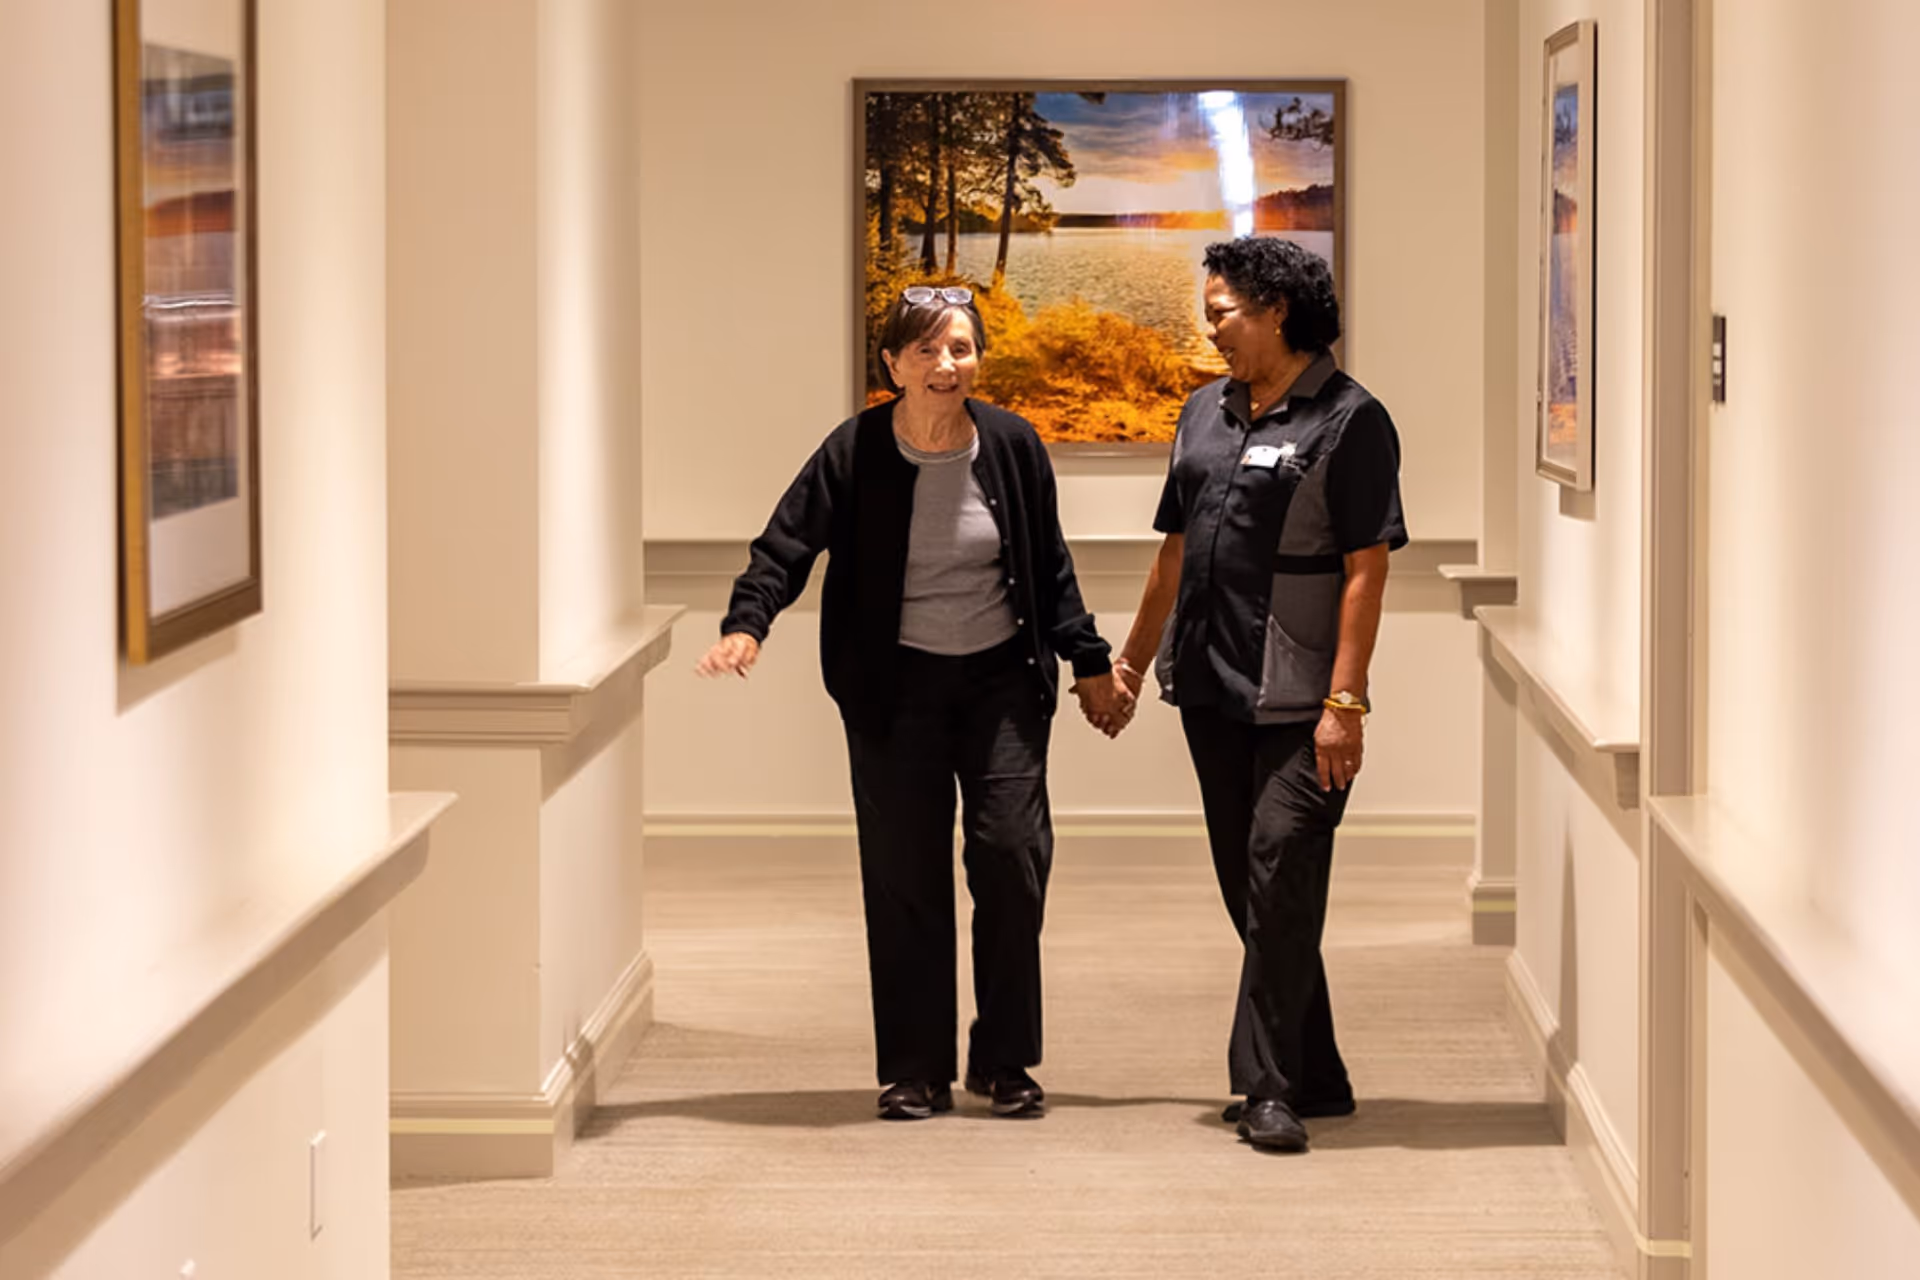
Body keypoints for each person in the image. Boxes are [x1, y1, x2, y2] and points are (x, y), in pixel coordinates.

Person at [698, 285, 1131, 1122]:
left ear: (979, 359)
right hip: (894, 691)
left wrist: (1087, 661)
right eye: (926, 350)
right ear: (892, 364)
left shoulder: (1010, 444)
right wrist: (747, 626)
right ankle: (914, 1067)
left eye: (961, 348)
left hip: (1002, 684)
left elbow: (1051, 567)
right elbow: (783, 547)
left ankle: (1004, 1060)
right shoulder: (854, 449)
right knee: (905, 877)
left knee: (1011, 860)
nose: (945, 365)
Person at [1111, 238, 1408, 1154]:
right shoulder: (1203, 413)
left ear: (1278, 309)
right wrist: (1130, 663)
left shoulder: (1352, 420)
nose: (1211, 330)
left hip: (1300, 700)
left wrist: (1346, 702)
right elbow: (1173, 552)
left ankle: (1269, 1090)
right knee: (1253, 891)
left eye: (1223, 313)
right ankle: (1317, 1071)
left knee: (1280, 871)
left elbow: (1366, 570)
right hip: (1209, 688)